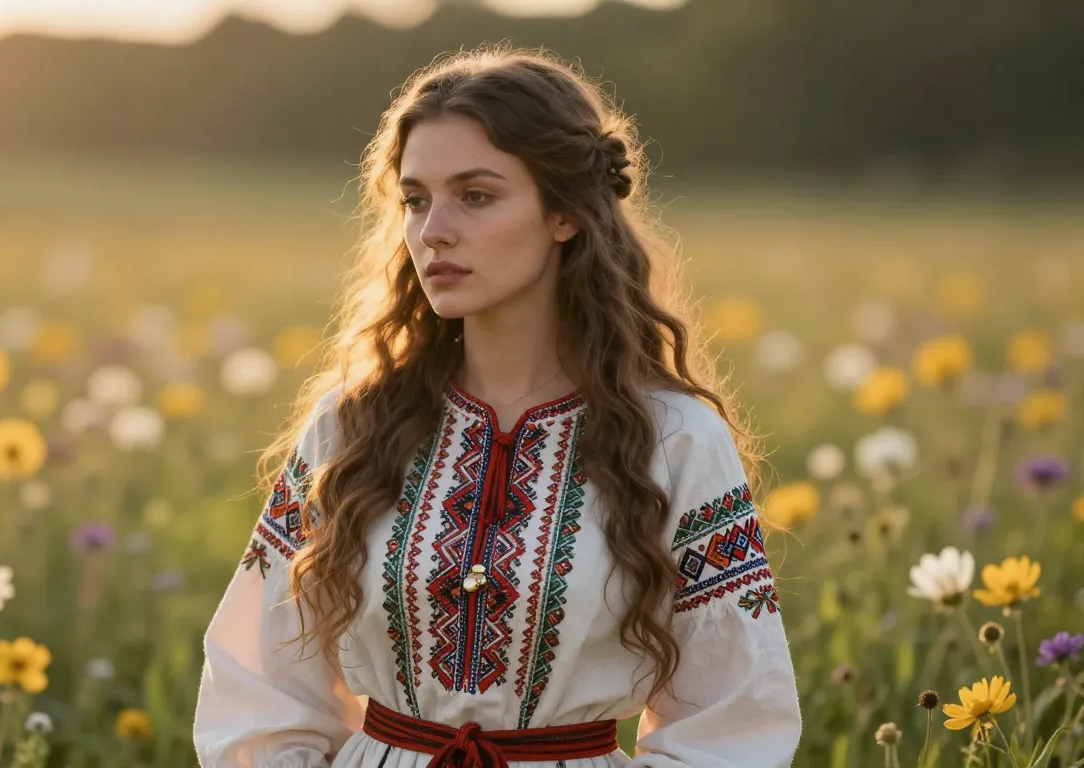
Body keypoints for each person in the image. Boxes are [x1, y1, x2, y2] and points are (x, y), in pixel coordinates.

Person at [193, 43, 802, 767]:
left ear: (565, 214)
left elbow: (733, 721)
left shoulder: (675, 441)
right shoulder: (351, 427)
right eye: (416, 200)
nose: (433, 231)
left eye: (476, 196)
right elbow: (259, 687)